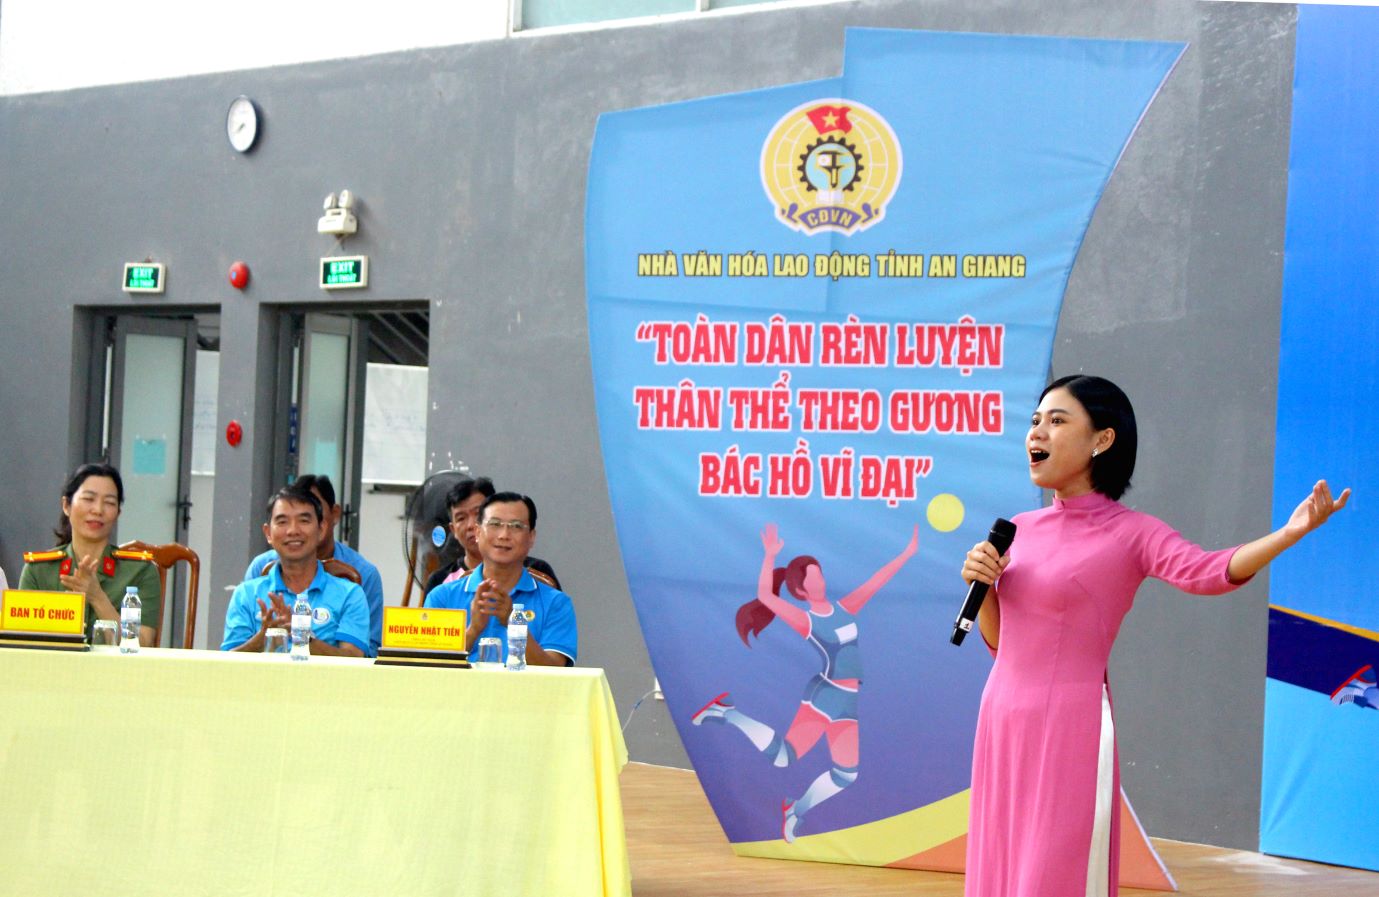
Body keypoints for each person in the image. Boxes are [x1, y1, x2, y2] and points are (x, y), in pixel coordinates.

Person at [959, 375, 1349, 897]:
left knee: (1053, 876)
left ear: (1102, 439)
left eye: (1057, 420)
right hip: (1002, 717)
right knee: (999, 868)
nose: (1039, 432)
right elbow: (1001, 645)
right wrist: (984, 589)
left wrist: (1288, 533)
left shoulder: (1132, 533)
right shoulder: (1019, 528)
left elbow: (1209, 571)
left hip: (1068, 723)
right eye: (1035, 422)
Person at [690, 521, 918, 843]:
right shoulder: (807, 621)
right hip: (826, 696)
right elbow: (764, 595)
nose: (821, 579)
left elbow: (876, 581)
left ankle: (795, 811)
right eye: (813, 577)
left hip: (847, 701)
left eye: (820, 572)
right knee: (784, 757)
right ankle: (727, 713)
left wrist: (907, 553)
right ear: (801, 591)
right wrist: (770, 555)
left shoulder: (845, 608)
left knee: (845, 775)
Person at [424, 491, 576, 666]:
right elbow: (430, 669)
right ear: (478, 532)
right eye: (495, 524)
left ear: (531, 537)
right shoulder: (442, 598)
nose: (504, 535)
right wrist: (473, 630)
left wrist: (514, 624)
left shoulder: (556, 603)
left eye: (516, 526)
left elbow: (557, 674)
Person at [19, 462, 161, 645]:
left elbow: (142, 643)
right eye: (88, 499)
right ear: (66, 506)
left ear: (118, 512)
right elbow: (23, 643)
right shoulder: (38, 570)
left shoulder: (140, 571)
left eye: (109, 502)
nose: (98, 510)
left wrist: (96, 596)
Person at [246, 474, 384, 656]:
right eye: (283, 520)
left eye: (304, 518)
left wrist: (301, 635)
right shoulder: (256, 577)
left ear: (324, 524)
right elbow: (227, 660)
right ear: (268, 532)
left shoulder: (357, 582)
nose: (293, 530)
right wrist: (263, 638)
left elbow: (364, 657)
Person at [423, 475, 562, 594]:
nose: (471, 525)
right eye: (461, 518)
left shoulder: (537, 572)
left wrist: (508, 617)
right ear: (453, 530)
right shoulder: (440, 583)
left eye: (477, 514)